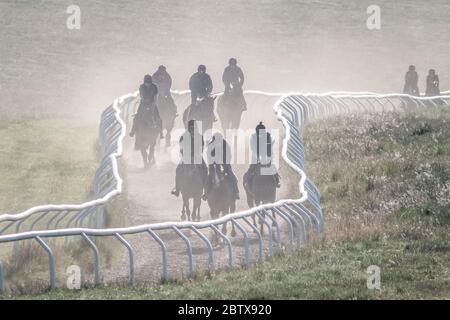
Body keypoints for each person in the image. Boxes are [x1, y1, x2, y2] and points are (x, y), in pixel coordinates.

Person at [171, 120, 208, 197]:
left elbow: (201, 148)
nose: (192, 130)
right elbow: (181, 148)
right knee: (178, 169)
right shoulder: (183, 137)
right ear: (188, 128)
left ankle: (205, 190)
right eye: (191, 128)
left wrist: (197, 154)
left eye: (194, 128)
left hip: (197, 157)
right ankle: (177, 189)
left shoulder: (200, 137)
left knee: (205, 169)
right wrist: (184, 154)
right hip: (186, 157)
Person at [203, 132, 240, 200]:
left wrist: (225, 163)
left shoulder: (225, 144)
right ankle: (205, 193)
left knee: (232, 176)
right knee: (208, 178)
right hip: (214, 165)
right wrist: (212, 164)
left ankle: (236, 192)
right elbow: (209, 156)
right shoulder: (211, 145)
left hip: (225, 163)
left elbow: (229, 154)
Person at [245, 122, 280, 188]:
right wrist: (258, 158)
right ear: (257, 132)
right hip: (256, 157)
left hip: (266, 156)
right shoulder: (253, 137)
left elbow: (270, 146)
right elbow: (253, 148)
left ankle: (277, 181)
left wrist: (269, 156)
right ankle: (247, 182)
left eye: (262, 132)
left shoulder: (268, 136)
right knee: (251, 168)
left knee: (272, 167)